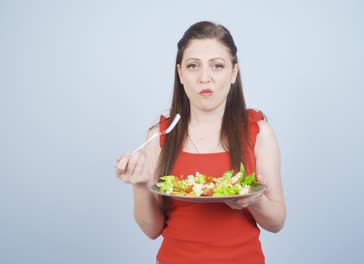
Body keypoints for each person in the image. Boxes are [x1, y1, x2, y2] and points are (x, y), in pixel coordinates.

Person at [115, 21, 286, 264]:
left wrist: (255, 200)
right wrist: (140, 184)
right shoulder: (159, 136)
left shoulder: (260, 133)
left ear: (233, 73)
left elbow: (277, 222)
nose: (205, 78)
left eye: (217, 66)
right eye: (193, 66)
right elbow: (151, 230)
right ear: (180, 74)